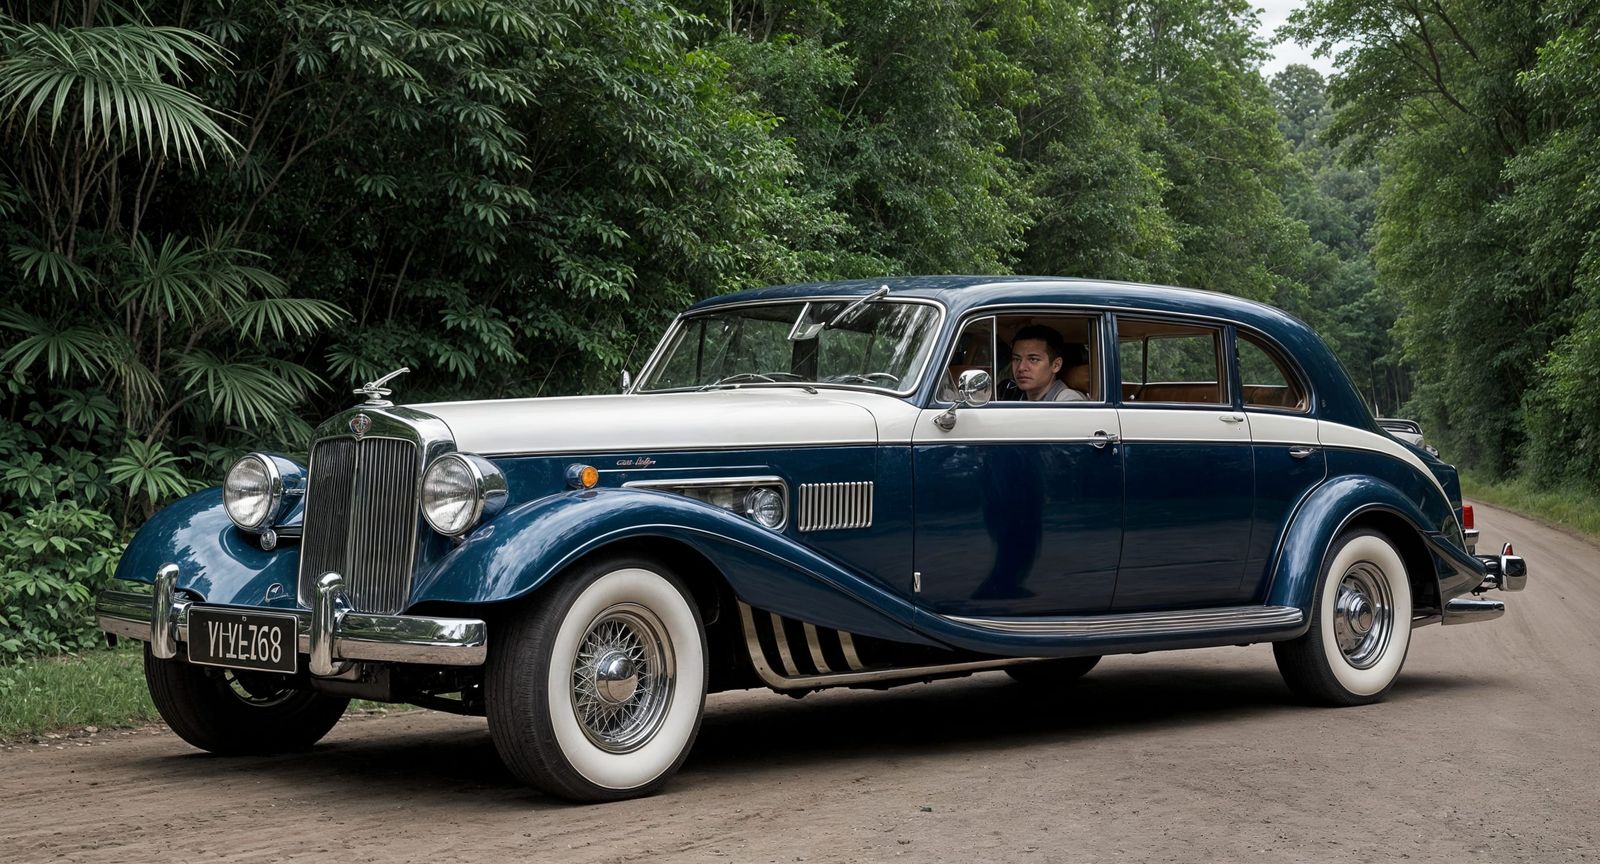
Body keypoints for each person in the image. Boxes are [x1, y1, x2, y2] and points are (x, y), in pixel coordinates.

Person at [1010, 324, 1087, 402]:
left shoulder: (1068, 402)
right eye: (1016, 359)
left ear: (1056, 365)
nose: (1021, 367)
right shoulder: (1013, 395)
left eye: (1033, 359)